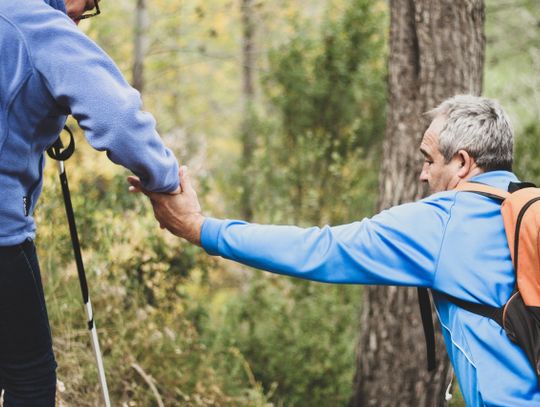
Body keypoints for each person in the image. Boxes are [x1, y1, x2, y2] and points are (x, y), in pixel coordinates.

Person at [130, 95, 540, 406]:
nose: (422, 173)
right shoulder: (528, 204)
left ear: (463, 163)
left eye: (428, 160)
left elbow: (320, 249)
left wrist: (202, 229)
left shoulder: (444, 221)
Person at [0, 0, 180, 405]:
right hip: (2, 237)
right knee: (30, 377)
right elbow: (118, 121)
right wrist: (166, 180)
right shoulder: (38, 24)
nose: (88, 10)